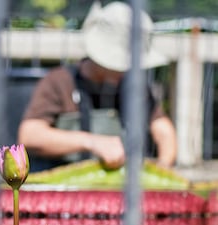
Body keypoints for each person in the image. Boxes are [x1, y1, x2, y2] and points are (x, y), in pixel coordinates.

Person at [17, 1, 177, 172]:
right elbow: (29, 134)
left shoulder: (134, 88)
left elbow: (163, 129)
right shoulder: (59, 81)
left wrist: (162, 169)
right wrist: (91, 142)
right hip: (64, 187)